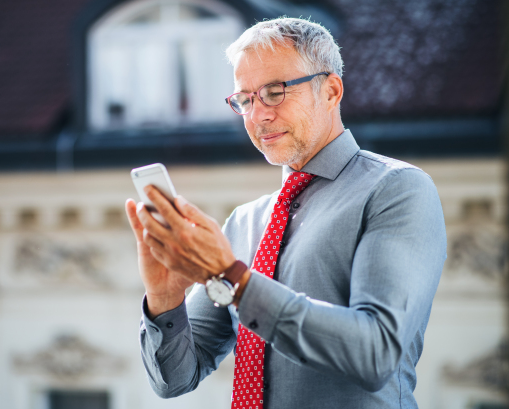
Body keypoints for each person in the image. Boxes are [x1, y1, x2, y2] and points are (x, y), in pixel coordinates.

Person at [125, 17, 446, 409]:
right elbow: (174, 380)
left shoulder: (396, 190)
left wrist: (236, 281)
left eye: (274, 92)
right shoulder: (244, 222)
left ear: (330, 91)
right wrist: (163, 296)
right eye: (244, 99)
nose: (257, 115)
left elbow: (375, 353)